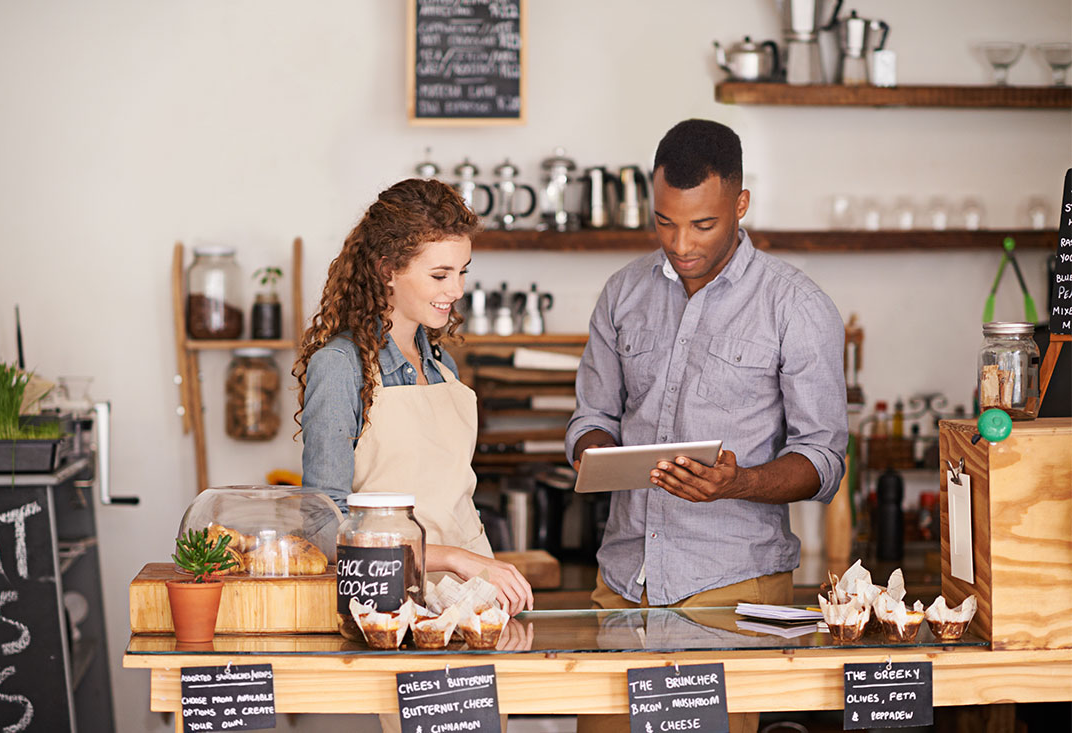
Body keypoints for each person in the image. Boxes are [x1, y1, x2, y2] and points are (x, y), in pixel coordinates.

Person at [568, 119, 848, 733]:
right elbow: (591, 417)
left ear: (740, 204)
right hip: (623, 582)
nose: (680, 242)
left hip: (732, 588)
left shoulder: (796, 306)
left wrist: (738, 482)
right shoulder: (622, 294)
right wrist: (599, 454)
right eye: (664, 221)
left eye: (703, 224)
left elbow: (823, 459)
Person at [294, 177, 533, 616]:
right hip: (385, 606)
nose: (456, 290)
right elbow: (324, 527)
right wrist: (455, 558)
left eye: (462, 272)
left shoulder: (444, 370)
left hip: (469, 601)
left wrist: (483, 572)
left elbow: (452, 500)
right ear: (388, 270)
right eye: (440, 275)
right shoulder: (341, 366)